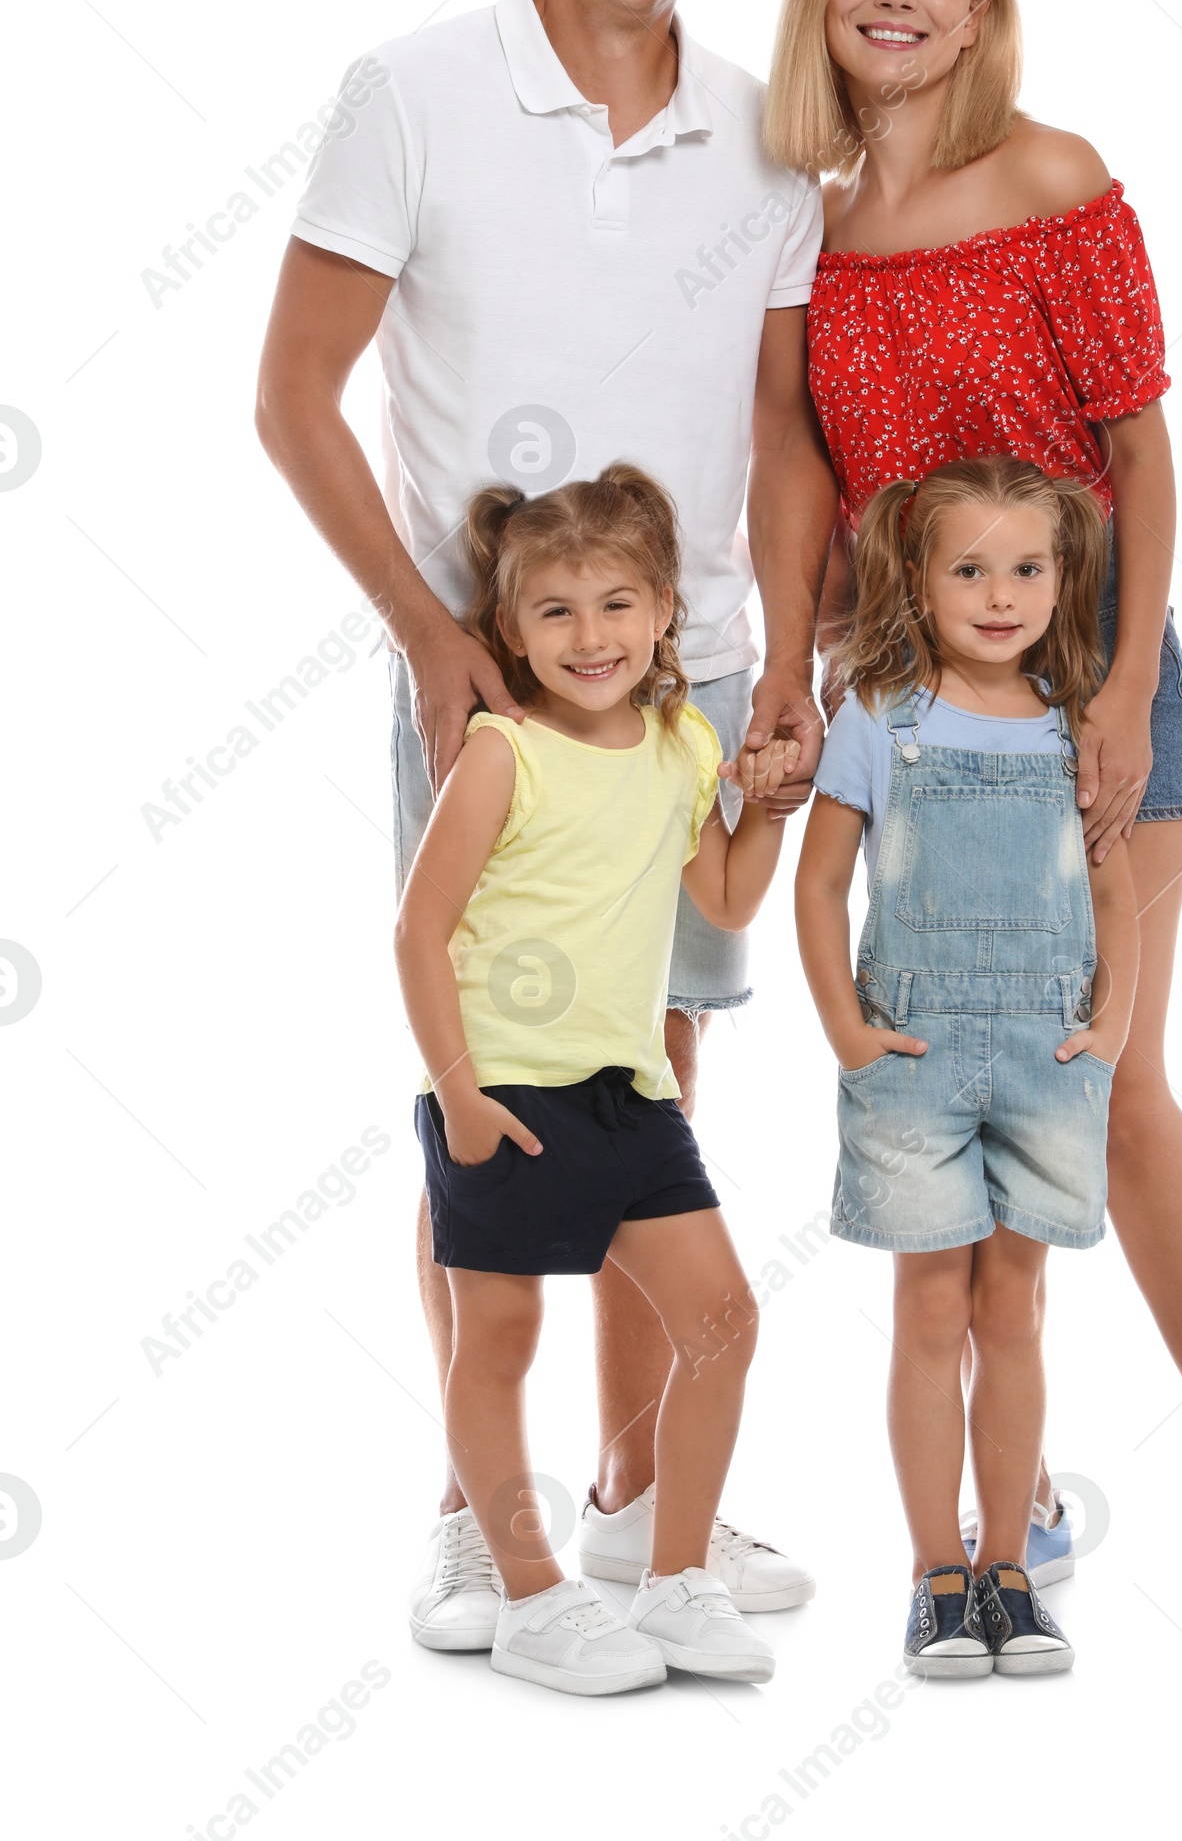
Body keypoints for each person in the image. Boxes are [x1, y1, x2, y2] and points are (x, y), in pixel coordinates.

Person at [763, 0, 1182, 1632]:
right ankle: (1001, 1499)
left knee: (1107, 1090)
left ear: (981, 6)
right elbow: (808, 466)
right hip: (913, 718)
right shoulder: (802, 232)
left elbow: (1145, 450)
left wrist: (1117, 696)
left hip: (1096, 695)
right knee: (948, 1074)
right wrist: (796, 657)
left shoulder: (1052, 177)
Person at [256, 0, 836, 1648]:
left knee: (649, 1077)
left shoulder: (767, 137)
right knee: (485, 1087)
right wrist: (437, 643)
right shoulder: (413, 92)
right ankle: (466, 1499)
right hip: (485, 690)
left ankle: (635, 1498)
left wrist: (785, 666)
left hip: (699, 675)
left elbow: (777, 430)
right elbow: (293, 398)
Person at [397, 463, 799, 1693]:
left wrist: (769, 804)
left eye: (617, 604)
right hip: (508, 1094)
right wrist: (459, 1096)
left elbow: (722, 899)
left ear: (666, 610)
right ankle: (528, 1596)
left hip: (631, 1095)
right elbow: (419, 933)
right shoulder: (499, 753)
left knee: (723, 1323)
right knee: (501, 1338)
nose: (591, 637)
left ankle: (674, 1584)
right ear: (510, 630)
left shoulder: (682, 747)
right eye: (557, 612)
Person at [794, 456, 1137, 1675]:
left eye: (1027, 568)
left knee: (1016, 1313)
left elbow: (1114, 887)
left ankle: (1011, 1569)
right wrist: (843, 1025)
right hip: (916, 1052)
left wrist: (1114, 1025)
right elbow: (822, 881)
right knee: (931, 1310)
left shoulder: (1070, 717)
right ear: (918, 577)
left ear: (1062, 578)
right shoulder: (877, 717)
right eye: (970, 569)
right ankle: (936, 1572)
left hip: (1047, 1055)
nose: (1001, 594)